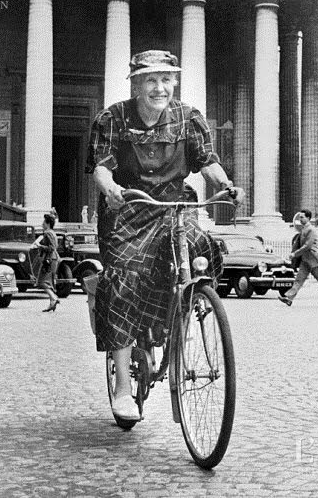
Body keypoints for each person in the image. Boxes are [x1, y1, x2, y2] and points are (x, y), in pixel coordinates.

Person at [86, 49, 245, 421]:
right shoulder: (112, 118)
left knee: (203, 248)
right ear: (137, 84)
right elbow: (101, 167)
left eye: (167, 79)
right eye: (151, 80)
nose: (160, 88)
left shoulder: (189, 117)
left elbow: (207, 161)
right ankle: (124, 389)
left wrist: (225, 183)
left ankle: (182, 311)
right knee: (124, 280)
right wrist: (109, 188)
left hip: (175, 207)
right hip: (129, 209)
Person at [279, 209, 318, 307]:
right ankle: (289, 298)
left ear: (308, 218)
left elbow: (307, 245)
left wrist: (295, 254)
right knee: (298, 280)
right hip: (305, 259)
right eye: (300, 217)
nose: (300, 219)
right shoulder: (304, 229)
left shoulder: (311, 229)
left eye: (302, 217)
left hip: (313, 259)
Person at [34, 213, 60, 312]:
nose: (42, 224)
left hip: (49, 259)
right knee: (50, 282)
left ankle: (53, 298)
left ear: (48, 223)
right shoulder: (52, 232)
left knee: (41, 281)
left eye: (44, 222)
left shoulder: (47, 233)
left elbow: (52, 247)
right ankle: (52, 303)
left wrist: (39, 246)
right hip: (54, 259)